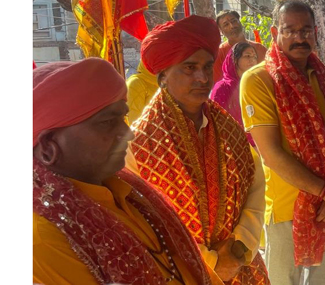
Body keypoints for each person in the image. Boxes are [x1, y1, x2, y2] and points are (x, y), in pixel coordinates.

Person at [33, 58, 217, 285]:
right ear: (48, 147)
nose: (128, 134)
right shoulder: (42, 239)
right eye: (108, 122)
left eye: (123, 118)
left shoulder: (129, 192)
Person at [126, 15, 269, 284]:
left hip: (239, 264)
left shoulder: (227, 127)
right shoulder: (138, 143)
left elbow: (255, 185)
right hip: (178, 272)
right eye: (189, 68)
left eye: (206, 66)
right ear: (163, 75)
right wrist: (212, 263)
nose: (203, 77)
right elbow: (145, 223)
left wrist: (241, 245)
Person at [239, 0, 325, 284]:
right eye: (290, 30)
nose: (299, 37)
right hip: (287, 209)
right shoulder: (258, 80)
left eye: (306, 30)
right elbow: (272, 155)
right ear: (274, 33)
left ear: (315, 33)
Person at [210, 42, 259, 129]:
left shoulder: (257, 85)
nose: (252, 60)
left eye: (254, 57)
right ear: (235, 59)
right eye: (247, 56)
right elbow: (216, 119)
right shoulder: (222, 87)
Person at [213, 10, 267, 84]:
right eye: (226, 25)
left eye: (234, 21)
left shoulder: (260, 48)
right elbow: (218, 84)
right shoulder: (220, 53)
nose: (232, 26)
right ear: (221, 31)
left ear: (240, 22)